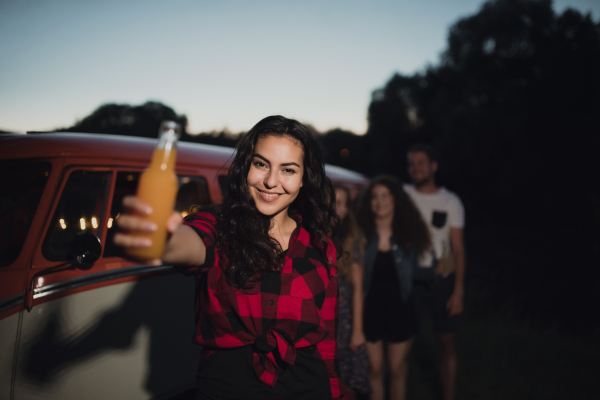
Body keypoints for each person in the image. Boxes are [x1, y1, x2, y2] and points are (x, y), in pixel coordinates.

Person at [114, 116, 352, 400]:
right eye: (261, 164)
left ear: (304, 180)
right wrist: (163, 239)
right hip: (224, 388)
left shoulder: (319, 245)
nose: (271, 181)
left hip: (307, 388)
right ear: (246, 167)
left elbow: (326, 341)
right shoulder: (218, 225)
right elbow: (190, 243)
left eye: (288, 170)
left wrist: (337, 394)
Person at [357, 175, 431, 400]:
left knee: (397, 367)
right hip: (371, 310)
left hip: (401, 310)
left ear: (395, 200)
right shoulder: (362, 236)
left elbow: (423, 268)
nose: (379, 202)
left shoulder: (409, 236)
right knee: (375, 369)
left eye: (385, 196)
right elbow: (357, 282)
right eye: (374, 197)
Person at [404, 143, 465, 400]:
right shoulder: (402, 194)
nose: (415, 168)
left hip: (441, 280)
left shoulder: (450, 201)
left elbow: (457, 248)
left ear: (433, 166)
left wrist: (458, 291)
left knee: (445, 343)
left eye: (420, 163)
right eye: (411, 164)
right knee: (401, 343)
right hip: (409, 279)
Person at [332, 185, 371, 398]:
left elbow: (357, 288)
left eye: (343, 204)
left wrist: (357, 330)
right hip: (321, 315)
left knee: (346, 380)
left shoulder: (351, 238)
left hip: (343, 317)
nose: (338, 209)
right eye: (334, 202)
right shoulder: (313, 234)